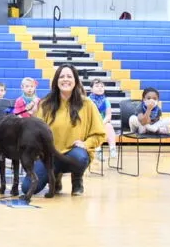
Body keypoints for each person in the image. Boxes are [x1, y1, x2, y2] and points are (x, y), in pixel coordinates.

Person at [21, 64, 106, 197]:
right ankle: (55, 177)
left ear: (76, 81)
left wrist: (86, 144)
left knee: (80, 157)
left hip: (74, 153)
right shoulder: (45, 103)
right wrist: (32, 116)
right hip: (49, 155)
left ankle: (77, 180)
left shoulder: (88, 104)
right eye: (61, 76)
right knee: (27, 188)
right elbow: (36, 133)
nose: (65, 79)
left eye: (69, 76)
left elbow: (100, 133)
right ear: (56, 81)